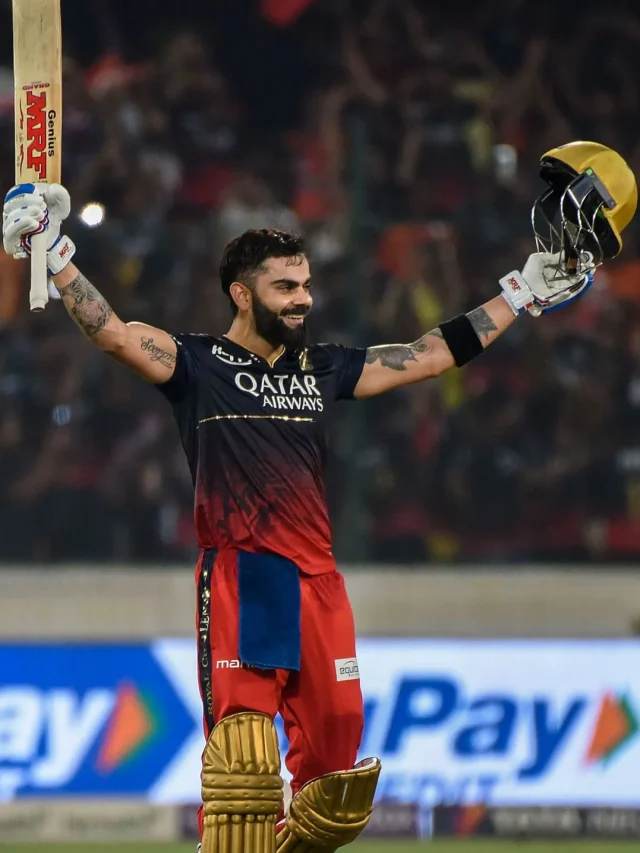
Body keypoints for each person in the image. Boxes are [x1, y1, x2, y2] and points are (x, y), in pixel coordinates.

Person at [2, 142, 627, 853]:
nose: (302, 298)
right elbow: (113, 333)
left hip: (319, 585)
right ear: (242, 294)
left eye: (304, 284)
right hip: (246, 576)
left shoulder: (322, 368)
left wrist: (521, 291)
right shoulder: (198, 364)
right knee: (244, 774)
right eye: (284, 287)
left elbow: (428, 354)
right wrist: (54, 254)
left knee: (334, 789)